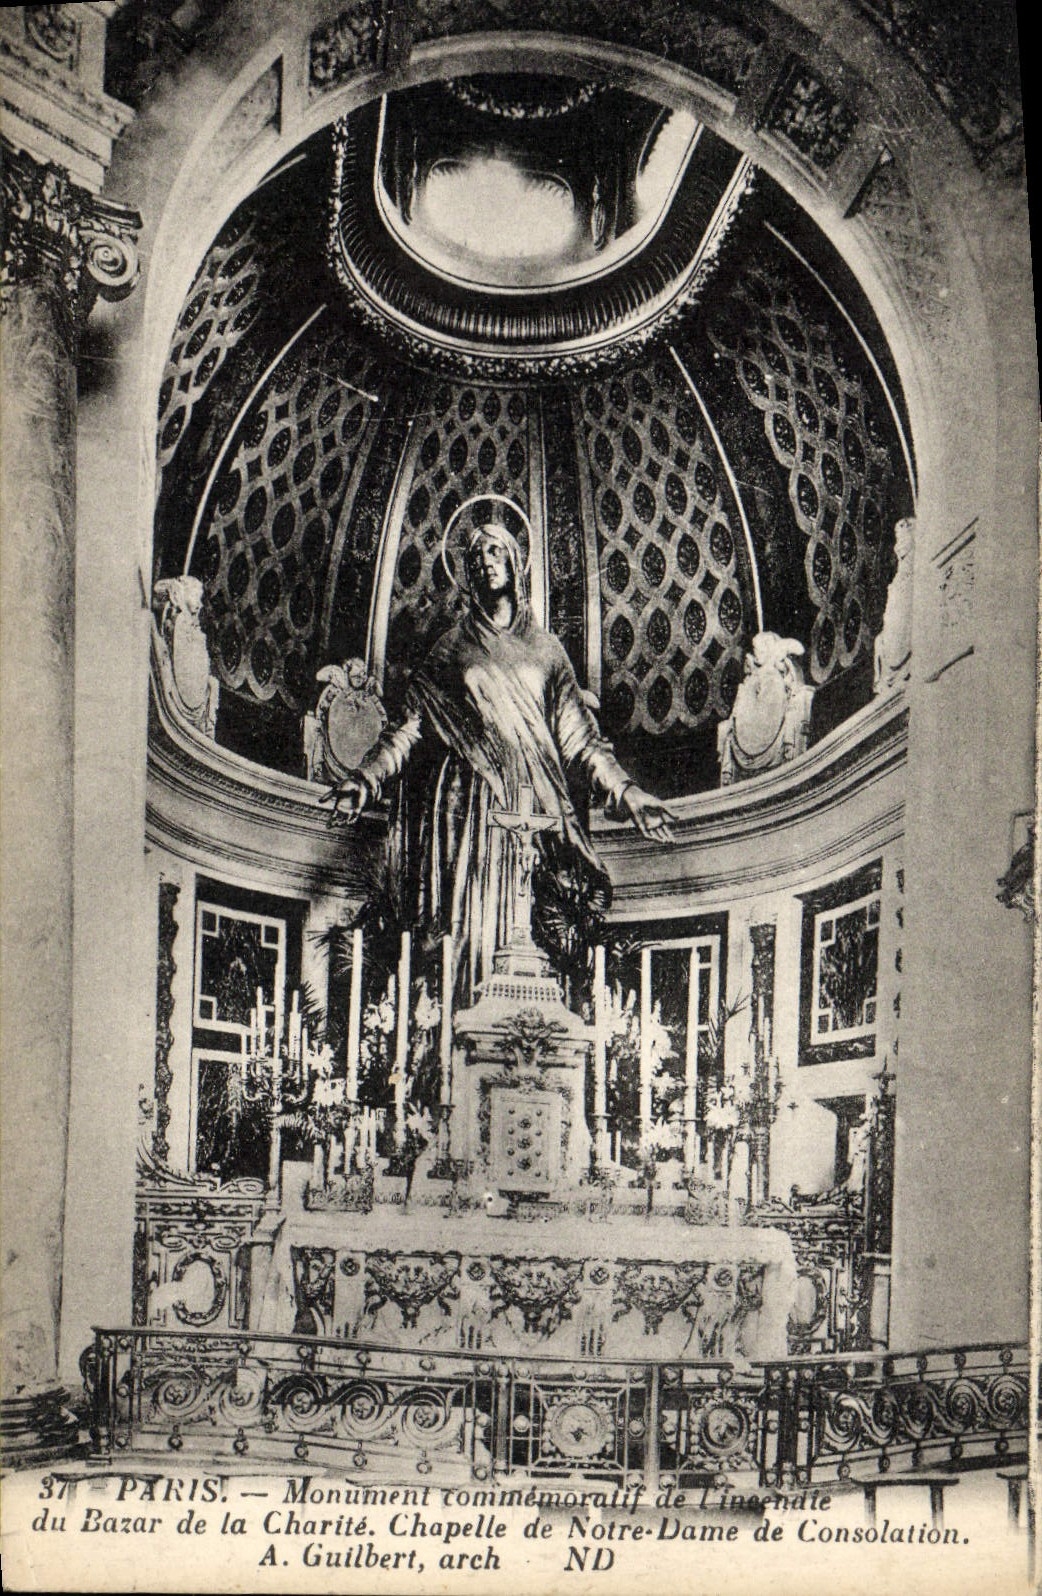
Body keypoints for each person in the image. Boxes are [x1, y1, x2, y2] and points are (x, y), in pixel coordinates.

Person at [322, 522, 675, 997]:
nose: (486, 561)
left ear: (514, 561)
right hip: (471, 810)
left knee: (537, 928)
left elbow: (582, 740)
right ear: (467, 573)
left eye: (495, 551)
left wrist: (628, 794)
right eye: (476, 556)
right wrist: (365, 779)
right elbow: (409, 727)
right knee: (470, 926)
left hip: (537, 806)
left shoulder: (548, 651)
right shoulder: (451, 649)